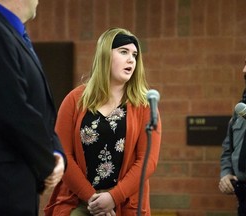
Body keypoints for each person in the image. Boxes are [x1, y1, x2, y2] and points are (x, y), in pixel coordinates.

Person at [44, 27, 162, 216]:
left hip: (124, 202)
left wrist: (113, 198)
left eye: (135, 54)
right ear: (105, 55)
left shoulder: (144, 104)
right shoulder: (74, 100)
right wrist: (93, 199)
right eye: (123, 52)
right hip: (80, 200)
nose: (131, 59)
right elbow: (63, 153)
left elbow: (148, 161)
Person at [0, 0, 66, 215]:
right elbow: (13, 110)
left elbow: (38, 108)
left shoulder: (10, 32)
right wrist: (47, 162)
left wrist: (57, 152)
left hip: (17, 185)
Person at [219, 43, 246, 216]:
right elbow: (228, 146)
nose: (245, 69)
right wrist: (226, 173)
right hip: (245, 196)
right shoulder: (245, 103)